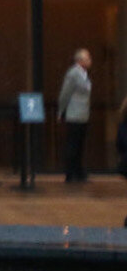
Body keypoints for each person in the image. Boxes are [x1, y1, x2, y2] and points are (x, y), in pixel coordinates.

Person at [59, 48, 93, 182]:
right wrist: (61, 110)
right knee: (72, 144)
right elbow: (65, 93)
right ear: (80, 60)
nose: (90, 61)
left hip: (83, 114)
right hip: (74, 114)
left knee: (79, 144)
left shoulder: (84, 74)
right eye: (87, 58)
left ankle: (78, 170)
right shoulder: (73, 74)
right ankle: (70, 172)